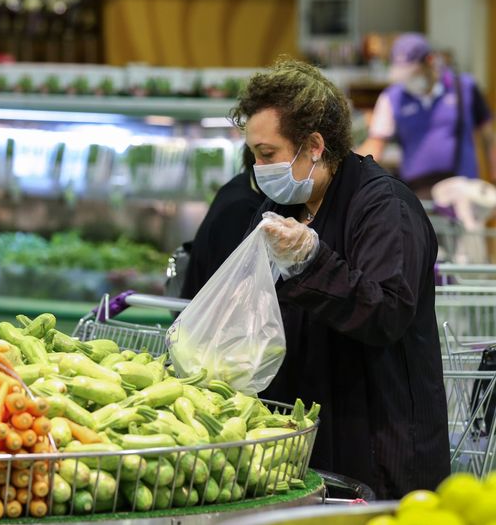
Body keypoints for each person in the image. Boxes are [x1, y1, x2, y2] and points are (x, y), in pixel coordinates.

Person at [230, 59, 449, 499]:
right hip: (307, 439)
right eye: (254, 153)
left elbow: (386, 311)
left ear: (313, 145)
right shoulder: (284, 207)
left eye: (267, 154)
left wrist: (312, 261)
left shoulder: (385, 208)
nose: (257, 167)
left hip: (379, 444)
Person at [359, 33, 496, 199]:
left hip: (464, 191)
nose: (408, 80)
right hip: (417, 194)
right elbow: (375, 145)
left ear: (430, 61)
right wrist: (349, 164)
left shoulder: (464, 88)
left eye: (413, 73)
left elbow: (490, 138)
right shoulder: (391, 98)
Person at [179, 146, 264, 299]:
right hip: (210, 318)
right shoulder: (242, 207)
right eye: (268, 153)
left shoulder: (240, 186)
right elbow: (233, 288)